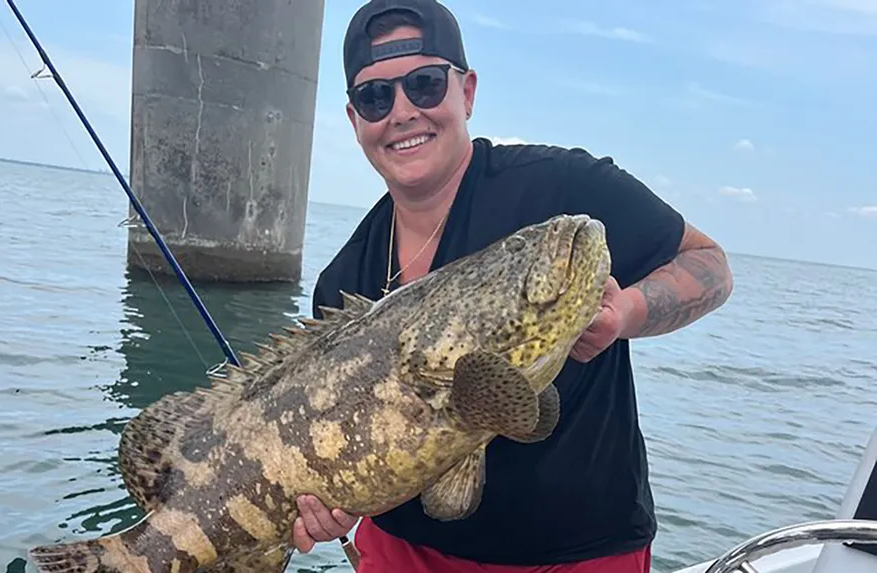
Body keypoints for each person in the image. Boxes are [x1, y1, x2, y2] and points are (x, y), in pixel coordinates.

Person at [295, 1, 735, 572]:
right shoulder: (343, 281)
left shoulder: (564, 190)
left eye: (425, 85)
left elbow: (709, 264)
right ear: (355, 120)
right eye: (376, 97)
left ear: (467, 92)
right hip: (401, 554)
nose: (402, 112)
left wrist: (626, 311)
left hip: (578, 555)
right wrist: (331, 509)